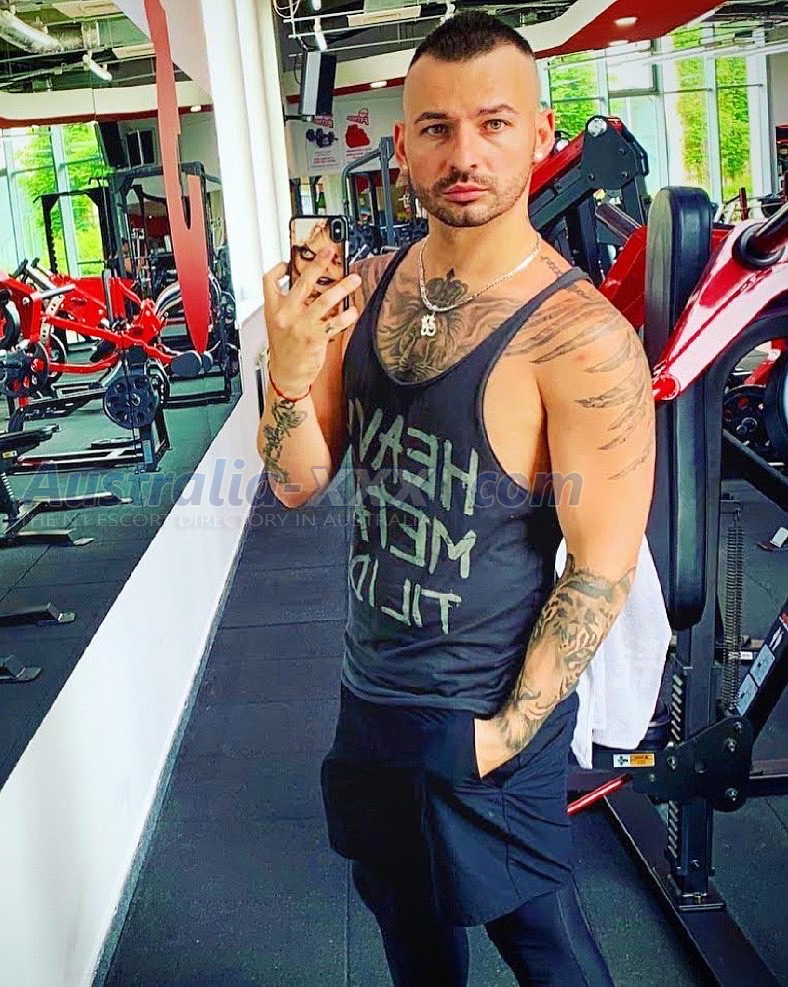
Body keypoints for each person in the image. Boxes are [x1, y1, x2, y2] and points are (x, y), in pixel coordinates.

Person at [257, 10, 655, 987]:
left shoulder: (580, 339)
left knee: (541, 939)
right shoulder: (367, 292)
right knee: (408, 930)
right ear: (403, 145)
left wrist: (504, 732)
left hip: (488, 710)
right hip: (370, 696)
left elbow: (601, 564)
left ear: (539, 131)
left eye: (493, 123)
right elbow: (295, 480)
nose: (463, 153)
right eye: (436, 127)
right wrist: (287, 370)